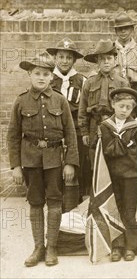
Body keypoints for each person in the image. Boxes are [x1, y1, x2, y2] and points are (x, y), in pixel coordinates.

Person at [7, 52, 78, 267]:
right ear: (30, 74)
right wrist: (16, 166)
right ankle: (38, 247)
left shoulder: (60, 100)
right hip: (30, 160)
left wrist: (70, 163)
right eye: (37, 73)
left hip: (55, 160)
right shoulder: (21, 101)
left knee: (55, 201)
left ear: (51, 76)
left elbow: (71, 133)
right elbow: (12, 135)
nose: (41, 78)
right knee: (36, 202)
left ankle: (52, 247)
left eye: (46, 74)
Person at [98, 88, 137, 262]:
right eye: (121, 106)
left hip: (131, 174)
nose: (124, 110)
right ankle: (116, 246)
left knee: (129, 209)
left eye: (128, 107)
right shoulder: (105, 127)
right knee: (114, 209)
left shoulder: (136, 128)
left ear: (133, 109)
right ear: (113, 105)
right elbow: (104, 151)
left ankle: (130, 246)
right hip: (111, 174)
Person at [46, 38, 89, 206]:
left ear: (74, 60)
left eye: (68, 58)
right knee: (54, 169)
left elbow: (85, 108)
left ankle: (73, 207)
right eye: (61, 57)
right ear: (55, 58)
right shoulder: (48, 79)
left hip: (75, 132)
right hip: (53, 131)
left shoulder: (82, 81)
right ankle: (56, 206)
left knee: (75, 169)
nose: (64, 61)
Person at [78, 40, 129, 168]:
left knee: (116, 161)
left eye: (109, 58)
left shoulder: (122, 83)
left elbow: (129, 108)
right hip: (95, 126)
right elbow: (83, 109)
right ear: (97, 62)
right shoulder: (90, 83)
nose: (106, 62)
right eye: (102, 59)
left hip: (115, 126)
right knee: (95, 161)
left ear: (115, 60)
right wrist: (84, 132)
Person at [113, 14, 137, 91]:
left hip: (136, 89)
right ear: (115, 31)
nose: (123, 31)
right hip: (114, 89)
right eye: (120, 28)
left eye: (126, 28)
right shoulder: (110, 50)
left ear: (132, 29)